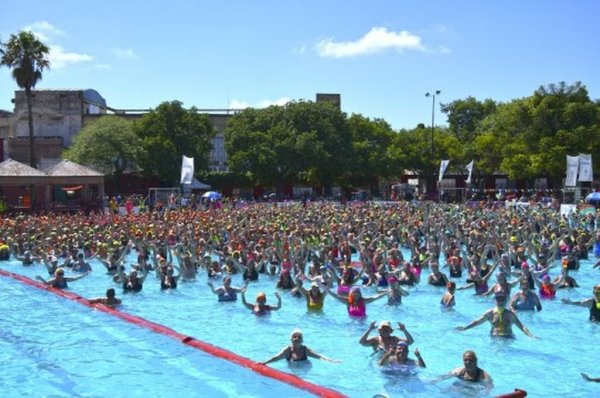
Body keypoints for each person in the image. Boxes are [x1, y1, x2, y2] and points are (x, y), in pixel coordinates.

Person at [456, 293, 535, 338]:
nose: (500, 302)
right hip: (494, 338)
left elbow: (522, 326)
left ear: (506, 301)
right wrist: (465, 328)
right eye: (498, 300)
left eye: (502, 300)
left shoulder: (510, 314)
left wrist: (531, 336)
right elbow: (477, 321)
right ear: (495, 301)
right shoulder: (490, 313)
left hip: (508, 338)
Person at [261, 329, 340, 365]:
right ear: (291, 339)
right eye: (294, 336)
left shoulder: (305, 350)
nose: (297, 338)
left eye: (299, 337)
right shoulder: (287, 350)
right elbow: (276, 358)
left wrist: (332, 361)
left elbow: (319, 357)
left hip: (305, 368)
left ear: (302, 340)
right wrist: (264, 362)